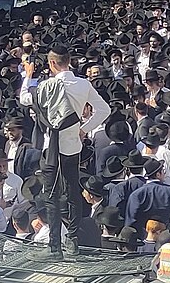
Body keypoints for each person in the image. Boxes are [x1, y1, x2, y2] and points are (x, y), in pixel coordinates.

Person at [20, 47, 112, 253]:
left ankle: (54, 245)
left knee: (51, 194)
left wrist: (28, 75)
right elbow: (104, 109)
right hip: (72, 146)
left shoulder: (46, 85)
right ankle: (72, 238)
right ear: (68, 61)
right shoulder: (83, 84)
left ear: (52, 64)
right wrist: (84, 129)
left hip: (51, 148)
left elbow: (24, 98)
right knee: (72, 191)